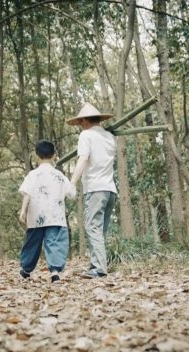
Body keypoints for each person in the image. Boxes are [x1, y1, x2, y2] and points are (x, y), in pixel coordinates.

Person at [68, 103, 117, 278]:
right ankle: (96, 264)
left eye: (80, 122)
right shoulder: (110, 137)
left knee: (92, 227)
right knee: (99, 229)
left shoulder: (86, 135)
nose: (80, 125)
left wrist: (72, 182)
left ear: (84, 121)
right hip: (110, 189)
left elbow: (83, 159)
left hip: (95, 188)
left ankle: (99, 268)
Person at [18, 140, 77, 283]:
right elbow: (72, 194)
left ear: (36, 156)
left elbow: (27, 193)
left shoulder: (32, 175)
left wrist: (23, 211)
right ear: (54, 156)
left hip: (35, 217)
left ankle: (26, 270)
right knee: (55, 243)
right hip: (55, 216)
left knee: (32, 243)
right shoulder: (59, 175)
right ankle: (55, 271)